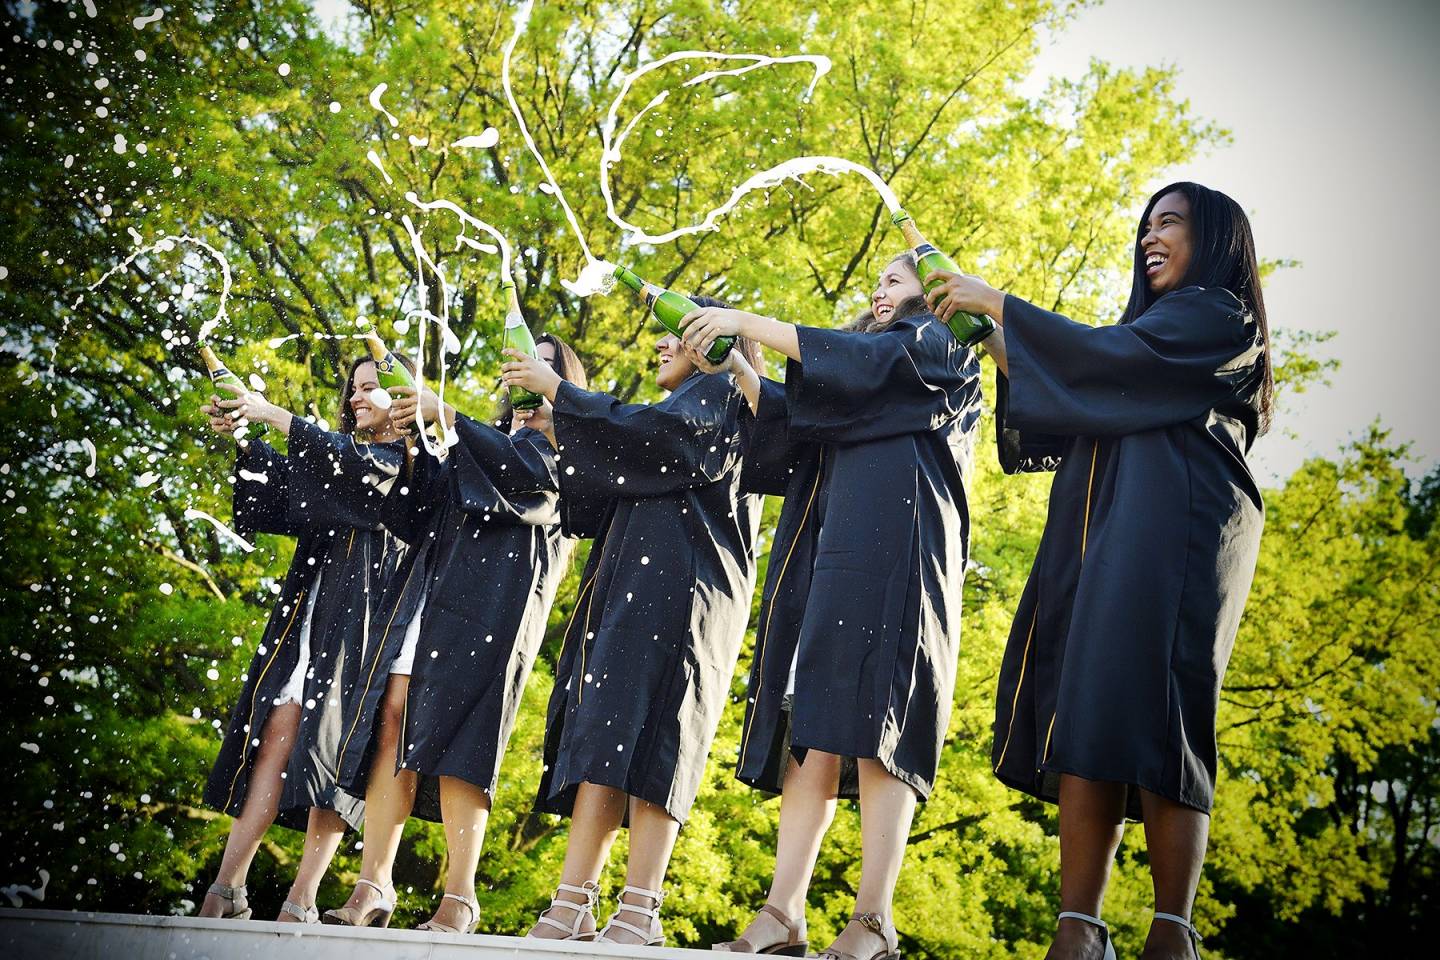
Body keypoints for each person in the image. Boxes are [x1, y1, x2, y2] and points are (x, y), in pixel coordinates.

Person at [925, 181, 1272, 960]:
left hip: (1176, 526)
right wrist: (984, 330)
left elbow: (1103, 362)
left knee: (1162, 705)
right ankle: (1077, 928)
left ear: (1213, 237)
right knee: (1085, 703)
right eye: (1146, 225)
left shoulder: (1219, 314)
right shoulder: (1139, 332)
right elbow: (1070, 386)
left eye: (1170, 223)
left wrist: (1007, 304)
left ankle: (1171, 931)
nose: (1151, 237)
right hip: (1099, 525)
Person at [678, 259, 982, 960]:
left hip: (900, 555)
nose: (879, 290)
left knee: (883, 726)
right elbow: (796, 434)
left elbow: (871, 361)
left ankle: (873, 918)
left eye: (897, 279)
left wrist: (744, 321)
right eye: (874, 280)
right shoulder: (855, 371)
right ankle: (783, 911)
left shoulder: (940, 344)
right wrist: (744, 373)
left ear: (933, 290)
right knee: (808, 725)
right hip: (830, 555)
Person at [501, 300, 762, 947]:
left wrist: (562, 391)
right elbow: (589, 501)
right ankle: (574, 899)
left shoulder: (724, 393)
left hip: (689, 595)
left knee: (660, 739)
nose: (660, 345)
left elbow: (658, 440)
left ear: (713, 339)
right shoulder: (675, 407)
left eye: (677, 333)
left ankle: (640, 905)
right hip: (629, 592)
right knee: (604, 732)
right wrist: (562, 424)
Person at [323, 333, 586, 933]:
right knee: (390, 716)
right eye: (520, 368)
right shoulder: (478, 444)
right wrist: (414, 438)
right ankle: (373, 882)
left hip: (496, 607)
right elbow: (419, 509)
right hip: (433, 596)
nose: (526, 377)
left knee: (464, 738)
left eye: (543, 368)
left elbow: (523, 482)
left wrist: (447, 414)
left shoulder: (567, 454)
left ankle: (461, 894)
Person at [196, 356, 408, 923]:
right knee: (277, 730)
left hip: (366, 621)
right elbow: (286, 490)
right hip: (310, 613)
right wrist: (244, 436)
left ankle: (303, 896)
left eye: (372, 388)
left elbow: (347, 465)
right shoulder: (340, 456)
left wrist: (273, 415)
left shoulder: (408, 461)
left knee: (334, 748)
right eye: (355, 389)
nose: (358, 397)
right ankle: (227, 886)